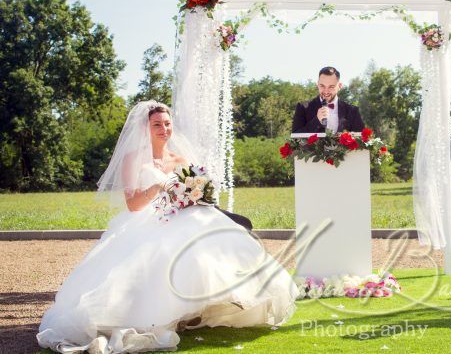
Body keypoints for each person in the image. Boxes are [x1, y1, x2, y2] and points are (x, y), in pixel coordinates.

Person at [37, 101, 298, 353]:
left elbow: (195, 191)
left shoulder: (180, 159)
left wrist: (193, 196)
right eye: (157, 125)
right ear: (145, 129)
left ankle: (202, 310)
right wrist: (155, 188)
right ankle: (163, 314)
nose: (164, 129)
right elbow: (133, 205)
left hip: (184, 213)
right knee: (159, 255)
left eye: (167, 124)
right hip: (147, 217)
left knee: (209, 241)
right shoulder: (133, 160)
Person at [292, 66, 364, 133]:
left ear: (339, 86)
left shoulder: (352, 111)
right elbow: (295, 138)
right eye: (322, 86)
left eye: (331, 87)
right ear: (317, 85)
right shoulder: (303, 108)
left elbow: (361, 141)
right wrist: (317, 121)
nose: (326, 91)